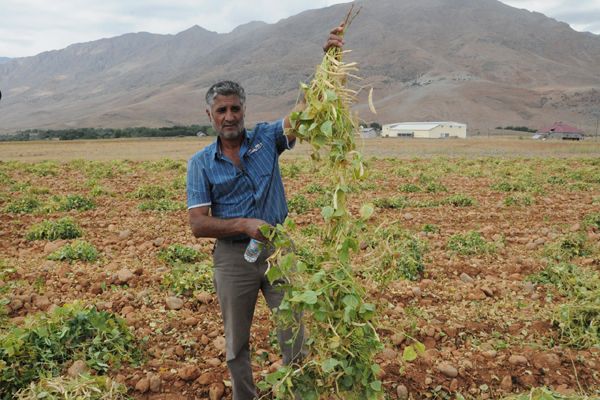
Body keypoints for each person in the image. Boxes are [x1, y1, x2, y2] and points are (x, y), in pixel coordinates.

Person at [186, 25, 345, 400]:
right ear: (210, 114)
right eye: (221, 110)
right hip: (233, 258)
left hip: (277, 251)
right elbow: (197, 224)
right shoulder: (201, 163)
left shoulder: (266, 139)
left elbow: (304, 114)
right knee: (236, 342)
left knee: (294, 331)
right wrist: (243, 223)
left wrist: (328, 63)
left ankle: (297, 392)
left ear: (244, 110)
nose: (229, 116)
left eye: (235, 108)